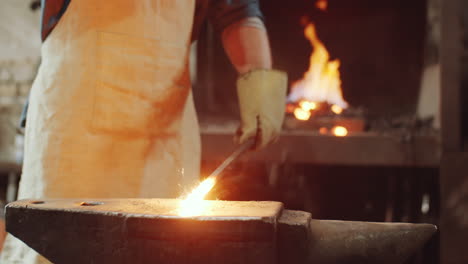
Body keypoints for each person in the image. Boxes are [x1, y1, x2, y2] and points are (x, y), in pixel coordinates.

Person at [0, 0, 287, 263]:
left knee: (162, 245)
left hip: (163, 127)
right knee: (55, 244)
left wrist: (258, 79)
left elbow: (236, 11)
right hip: (73, 122)